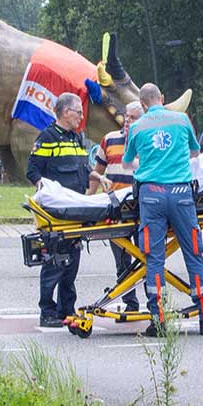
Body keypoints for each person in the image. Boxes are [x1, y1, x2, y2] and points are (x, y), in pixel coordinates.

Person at [124, 82, 203, 336]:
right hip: (181, 195)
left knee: (154, 259)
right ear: (162, 98)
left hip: (151, 196)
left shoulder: (136, 127)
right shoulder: (181, 119)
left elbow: (127, 163)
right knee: (194, 254)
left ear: (142, 105)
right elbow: (195, 152)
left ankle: (159, 320)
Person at [27, 92, 91, 330]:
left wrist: (96, 177)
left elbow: (83, 168)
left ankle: (67, 308)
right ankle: (48, 310)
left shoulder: (77, 138)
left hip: (76, 209)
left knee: (72, 261)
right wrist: (44, 189)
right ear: (66, 112)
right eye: (79, 112)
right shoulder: (48, 138)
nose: (81, 116)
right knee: (55, 261)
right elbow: (33, 170)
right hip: (57, 213)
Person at [92, 101, 143, 314]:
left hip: (141, 209)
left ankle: (154, 301)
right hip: (116, 210)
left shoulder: (146, 141)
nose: (128, 121)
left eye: (133, 118)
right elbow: (97, 171)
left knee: (147, 259)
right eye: (127, 117)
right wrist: (89, 198)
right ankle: (130, 302)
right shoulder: (109, 139)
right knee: (122, 261)